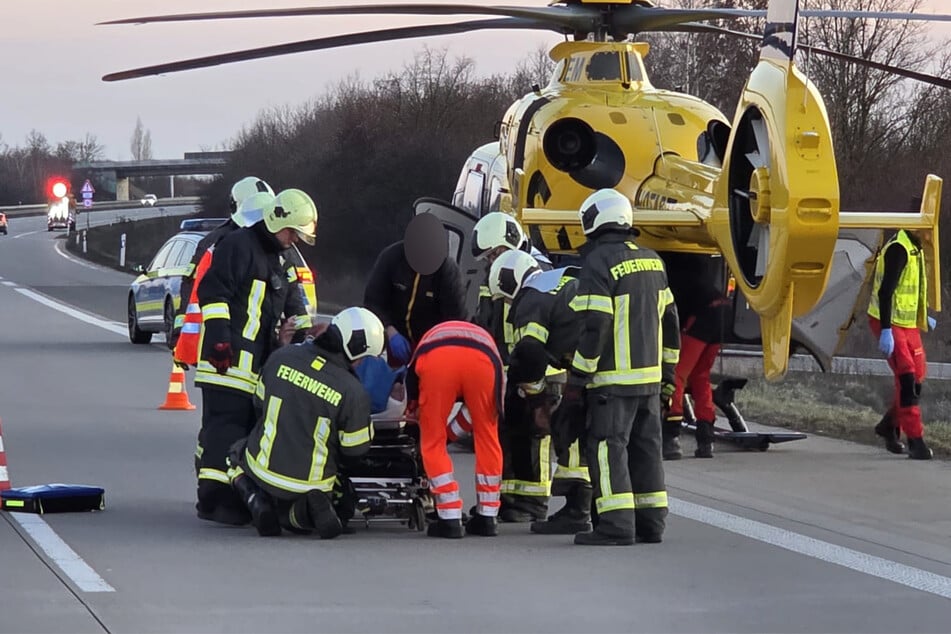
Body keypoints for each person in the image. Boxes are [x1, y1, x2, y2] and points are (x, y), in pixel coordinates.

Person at [194, 188, 317, 524]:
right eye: (292, 232)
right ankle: (214, 501)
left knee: (240, 432)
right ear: (278, 221)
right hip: (226, 363)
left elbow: (295, 307)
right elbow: (213, 292)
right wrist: (219, 341)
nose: (295, 240)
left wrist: (302, 343)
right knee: (223, 430)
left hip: (254, 368)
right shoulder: (238, 245)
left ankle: (235, 495)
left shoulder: (282, 259)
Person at [566, 188, 680, 546]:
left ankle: (615, 525)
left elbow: (595, 324)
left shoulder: (598, 263)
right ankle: (651, 523)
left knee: (607, 448)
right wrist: (668, 377)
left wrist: (578, 378)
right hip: (650, 381)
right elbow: (671, 323)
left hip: (612, 383)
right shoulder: (653, 261)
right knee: (646, 450)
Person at [229, 307, 383, 537]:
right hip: (313, 484)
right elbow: (355, 450)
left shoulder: (281, 356)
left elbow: (260, 405)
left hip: (262, 470)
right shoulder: (353, 392)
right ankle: (298, 516)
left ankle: (255, 499)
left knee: (234, 454)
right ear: (356, 349)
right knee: (340, 492)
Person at [489, 249, 592, 534]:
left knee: (570, 431)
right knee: (589, 433)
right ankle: (592, 508)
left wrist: (536, 399)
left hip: (590, 369)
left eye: (506, 298)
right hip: (602, 361)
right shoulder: (558, 280)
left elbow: (530, 352)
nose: (509, 304)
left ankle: (578, 511)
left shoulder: (530, 299)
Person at [405, 321, 504, 538]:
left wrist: (415, 413)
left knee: (432, 441)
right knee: (487, 435)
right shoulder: (484, 337)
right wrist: (451, 434)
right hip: (484, 360)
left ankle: (449, 517)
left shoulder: (427, 341)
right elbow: (474, 415)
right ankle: (488, 517)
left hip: (438, 360)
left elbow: (411, 386)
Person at [173, 176, 276, 346]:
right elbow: (195, 287)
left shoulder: (214, 240)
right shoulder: (217, 242)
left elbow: (191, 286)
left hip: (249, 336)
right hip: (222, 335)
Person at [867, 228, 937, 460]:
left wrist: (922, 315)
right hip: (888, 320)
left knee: (917, 379)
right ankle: (915, 440)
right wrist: (886, 329)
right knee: (906, 378)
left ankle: (889, 425)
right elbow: (886, 292)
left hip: (907, 323)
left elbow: (913, 289)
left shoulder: (916, 247)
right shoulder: (899, 249)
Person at [364, 213, 467, 367]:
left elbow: (455, 320)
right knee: (396, 378)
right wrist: (389, 331)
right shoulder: (391, 257)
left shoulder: (447, 271)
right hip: (396, 340)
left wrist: (433, 347)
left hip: (432, 347)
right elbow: (372, 301)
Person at [660, 252, 731, 460]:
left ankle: (671, 436)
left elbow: (673, 316)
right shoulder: (691, 263)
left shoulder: (670, 271)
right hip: (723, 311)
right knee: (700, 375)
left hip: (702, 316)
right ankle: (706, 437)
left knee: (676, 374)